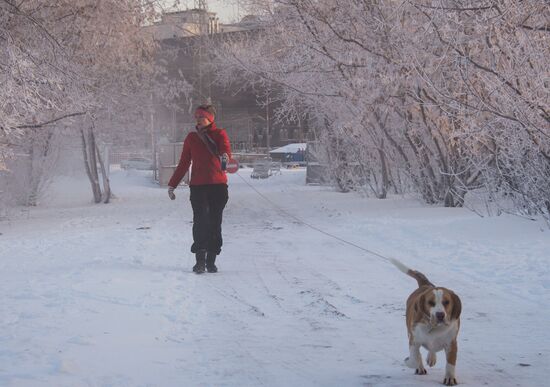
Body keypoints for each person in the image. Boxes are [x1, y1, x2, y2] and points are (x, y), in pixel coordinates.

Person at [167, 105, 232, 274]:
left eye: (201, 117)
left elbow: (226, 150)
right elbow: (183, 163)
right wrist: (172, 184)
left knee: (214, 222)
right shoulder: (191, 138)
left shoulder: (220, 134)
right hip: (198, 187)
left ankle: (211, 260)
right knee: (200, 221)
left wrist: (225, 156)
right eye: (196, 117)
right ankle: (200, 261)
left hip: (218, 186)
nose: (198, 120)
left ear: (210, 118)